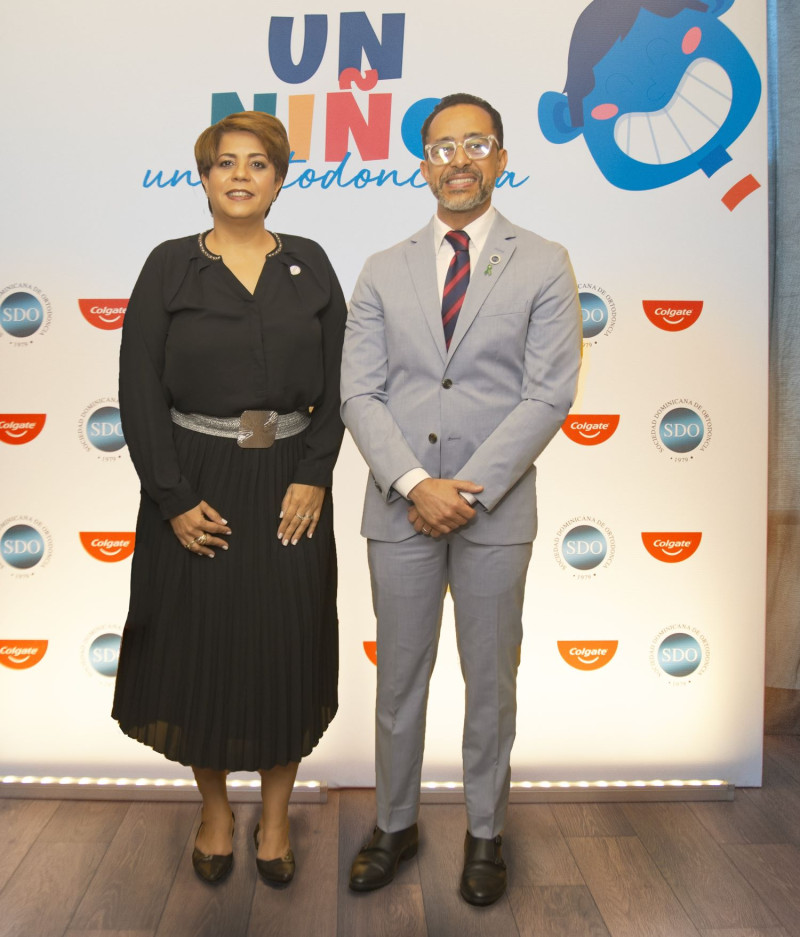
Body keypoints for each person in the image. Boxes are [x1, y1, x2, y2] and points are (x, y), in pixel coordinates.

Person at [340, 93, 582, 906]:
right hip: (399, 509)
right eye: (443, 148)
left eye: (476, 144)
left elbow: (548, 394)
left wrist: (464, 492)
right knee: (399, 680)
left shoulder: (544, 261)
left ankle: (486, 832)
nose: (459, 161)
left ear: (501, 158)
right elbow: (359, 393)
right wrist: (416, 483)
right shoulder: (383, 268)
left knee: (491, 682)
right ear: (423, 166)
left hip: (495, 513)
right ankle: (395, 824)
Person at [112, 111, 346, 886]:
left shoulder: (310, 263)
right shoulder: (169, 266)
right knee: (198, 647)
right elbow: (139, 390)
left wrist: (315, 472)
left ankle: (275, 818)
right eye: (225, 162)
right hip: (194, 481)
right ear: (204, 177)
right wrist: (172, 496)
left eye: (258, 163)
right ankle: (214, 811)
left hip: (290, 483)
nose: (241, 175)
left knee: (286, 646)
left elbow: (342, 383)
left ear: (279, 180)